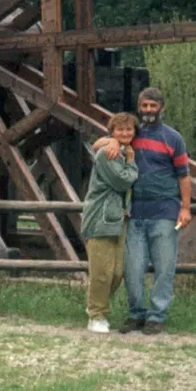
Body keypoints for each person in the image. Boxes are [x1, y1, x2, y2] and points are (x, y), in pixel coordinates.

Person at [96, 87, 191, 335]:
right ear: (139, 107)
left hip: (165, 212)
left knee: (164, 268)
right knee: (132, 269)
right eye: (145, 106)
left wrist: (186, 208)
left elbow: (184, 175)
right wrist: (114, 140)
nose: (148, 110)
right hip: (135, 213)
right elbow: (97, 144)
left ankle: (157, 316)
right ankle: (136, 313)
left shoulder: (173, 138)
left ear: (162, 108)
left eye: (153, 106)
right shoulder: (131, 135)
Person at [81, 112, 139, 333]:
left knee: (116, 273)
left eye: (129, 129)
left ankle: (98, 309)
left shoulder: (122, 150)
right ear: (112, 131)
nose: (125, 133)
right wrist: (132, 163)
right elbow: (121, 181)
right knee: (101, 271)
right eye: (120, 130)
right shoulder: (109, 153)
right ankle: (96, 314)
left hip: (117, 219)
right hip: (100, 218)